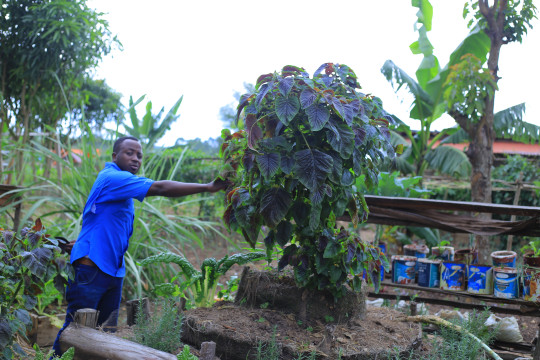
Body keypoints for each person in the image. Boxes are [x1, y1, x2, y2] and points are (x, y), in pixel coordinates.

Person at [52, 136, 228, 355]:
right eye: (129, 153)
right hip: (92, 268)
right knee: (75, 331)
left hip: (112, 270)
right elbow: (161, 188)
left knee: (105, 335)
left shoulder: (121, 187)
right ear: (115, 156)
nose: (135, 159)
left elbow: (98, 218)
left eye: (139, 155)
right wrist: (208, 187)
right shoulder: (113, 178)